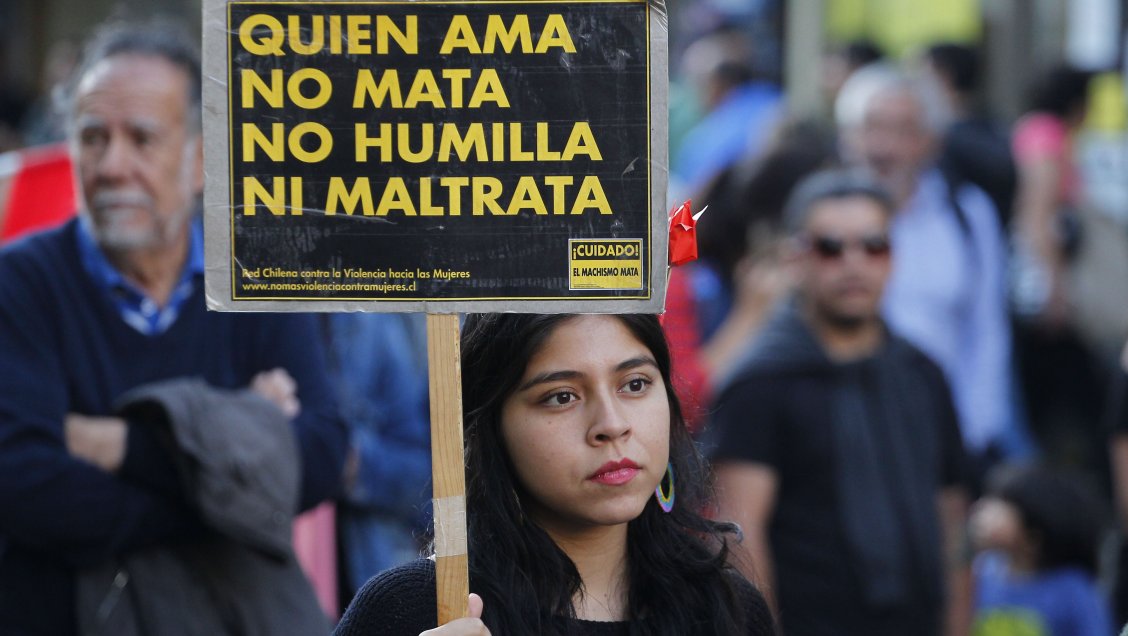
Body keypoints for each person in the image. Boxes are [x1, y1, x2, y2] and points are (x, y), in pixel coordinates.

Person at [0, 20, 348, 634]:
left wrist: (119, 445)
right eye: (91, 137)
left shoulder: (254, 281)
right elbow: (26, 488)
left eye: (142, 138)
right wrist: (234, 457)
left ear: (200, 159)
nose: (112, 165)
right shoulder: (21, 283)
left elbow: (320, 455)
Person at [334, 313, 775, 635]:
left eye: (635, 384)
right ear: (491, 430)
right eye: (562, 396)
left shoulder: (728, 609)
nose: (612, 423)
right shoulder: (421, 610)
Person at [708, 169, 969, 635]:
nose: (854, 263)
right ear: (797, 258)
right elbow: (740, 541)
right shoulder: (761, 383)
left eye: (874, 245)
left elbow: (951, 519)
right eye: (831, 247)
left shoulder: (923, 375)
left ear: (893, 257)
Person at [837, 64, 1028, 478]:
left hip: (943, 441)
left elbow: (987, 330)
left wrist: (975, 435)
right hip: (841, 441)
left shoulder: (967, 215)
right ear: (846, 136)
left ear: (930, 142)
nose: (883, 147)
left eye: (903, 130)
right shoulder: (821, 219)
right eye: (871, 127)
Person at [322, 312, 432, 603]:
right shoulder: (257, 308)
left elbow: (435, 479)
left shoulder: (377, 323)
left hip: (372, 566)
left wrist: (349, 462)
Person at [969, 465, 1112, 636]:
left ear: (1033, 539)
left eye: (1001, 507)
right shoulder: (980, 575)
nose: (982, 512)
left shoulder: (1072, 590)